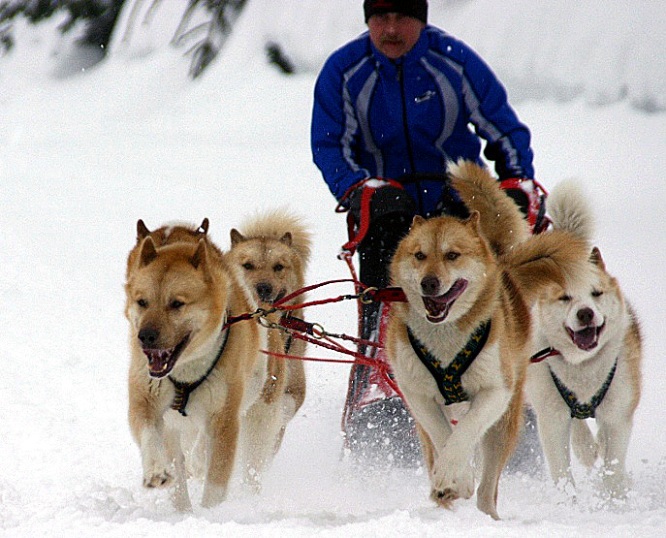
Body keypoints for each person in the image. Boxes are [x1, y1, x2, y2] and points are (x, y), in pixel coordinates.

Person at [310, 0, 545, 466]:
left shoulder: (453, 61)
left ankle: (499, 379)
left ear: (422, 19)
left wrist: (516, 182)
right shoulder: (345, 70)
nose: (391, 28)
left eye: (402, 17)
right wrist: (361, 189)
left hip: (458, 196)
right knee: (386, 264)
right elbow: (330, 144)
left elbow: (504, 129)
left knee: (487, 278)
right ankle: (384, 377)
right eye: (380, 17)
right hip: (387, 203)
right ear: (367, 20)